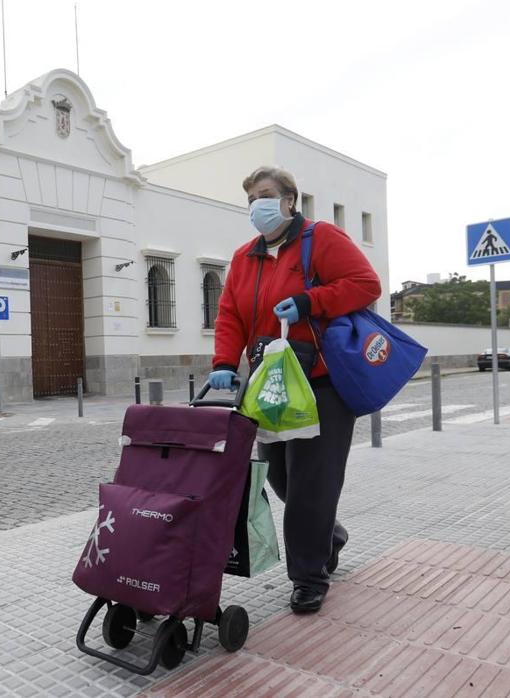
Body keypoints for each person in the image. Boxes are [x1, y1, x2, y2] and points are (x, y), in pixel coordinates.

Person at [209, 166, 381, 613]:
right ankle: (329, 535)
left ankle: (308, 576)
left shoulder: (320, 239)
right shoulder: (245, 257)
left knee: (311, 485)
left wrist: (310, 301)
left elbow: (366, 285)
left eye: (264, 196)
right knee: (282, 478)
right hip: (271, 383)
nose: (256, 206)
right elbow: (230, 315)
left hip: (320, 381)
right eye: (249, 199)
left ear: (289, 200)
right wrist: (225, 363)